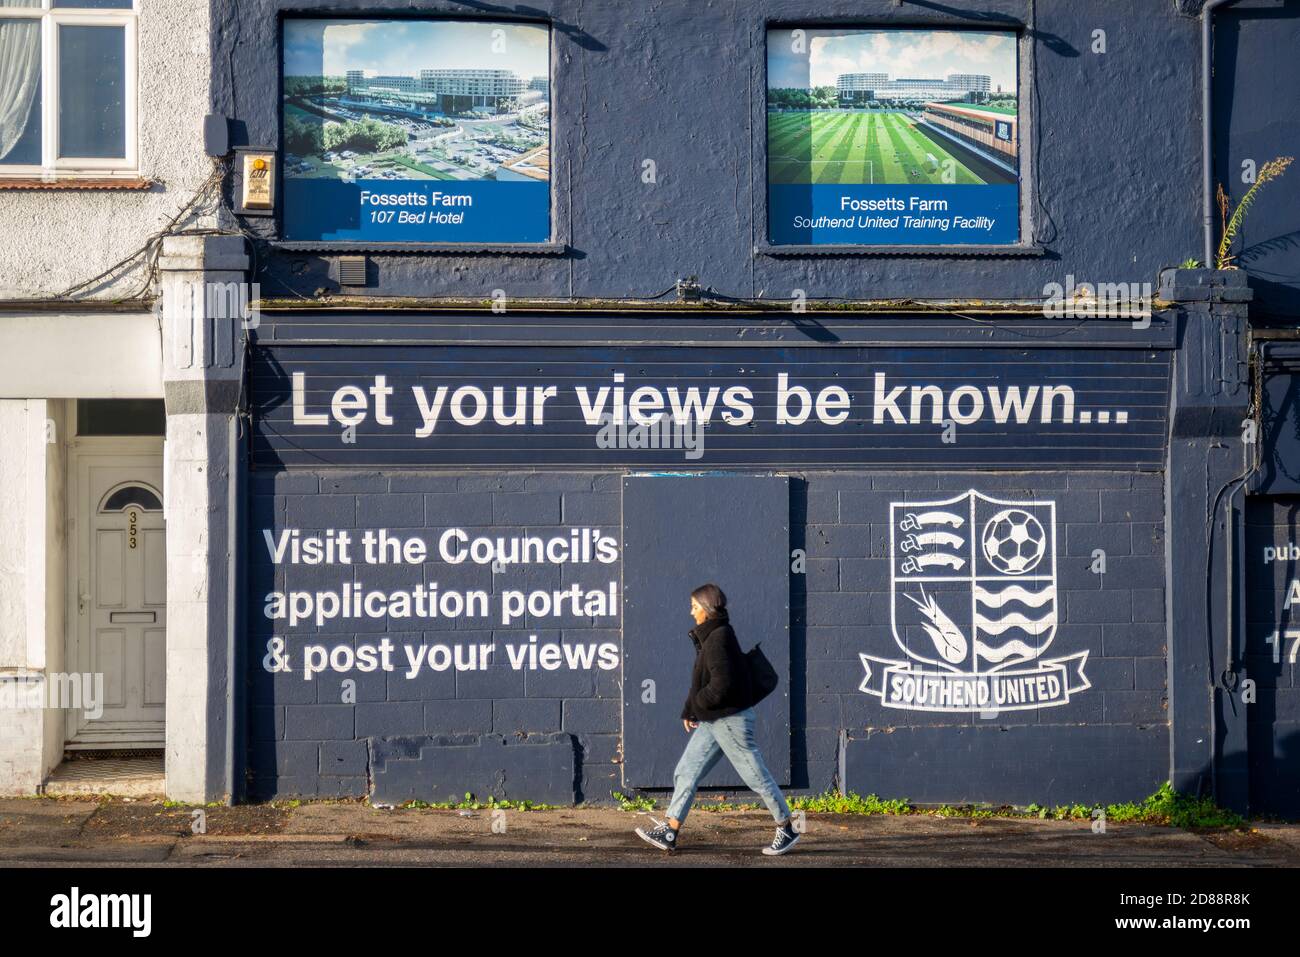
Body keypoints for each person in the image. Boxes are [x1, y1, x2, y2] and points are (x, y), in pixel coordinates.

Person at [635, 583, 800, 856]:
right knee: (686, 770)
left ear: (707, 610)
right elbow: (701, 680)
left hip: (731, 721)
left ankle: (787, 827)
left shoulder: (719, 637)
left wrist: (698, 704)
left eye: (694, 607)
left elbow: (722, 685)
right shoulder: (710, 636)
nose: (691, 613)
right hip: (714, 721)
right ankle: (669, 830)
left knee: (756, 776)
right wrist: (690, 709)